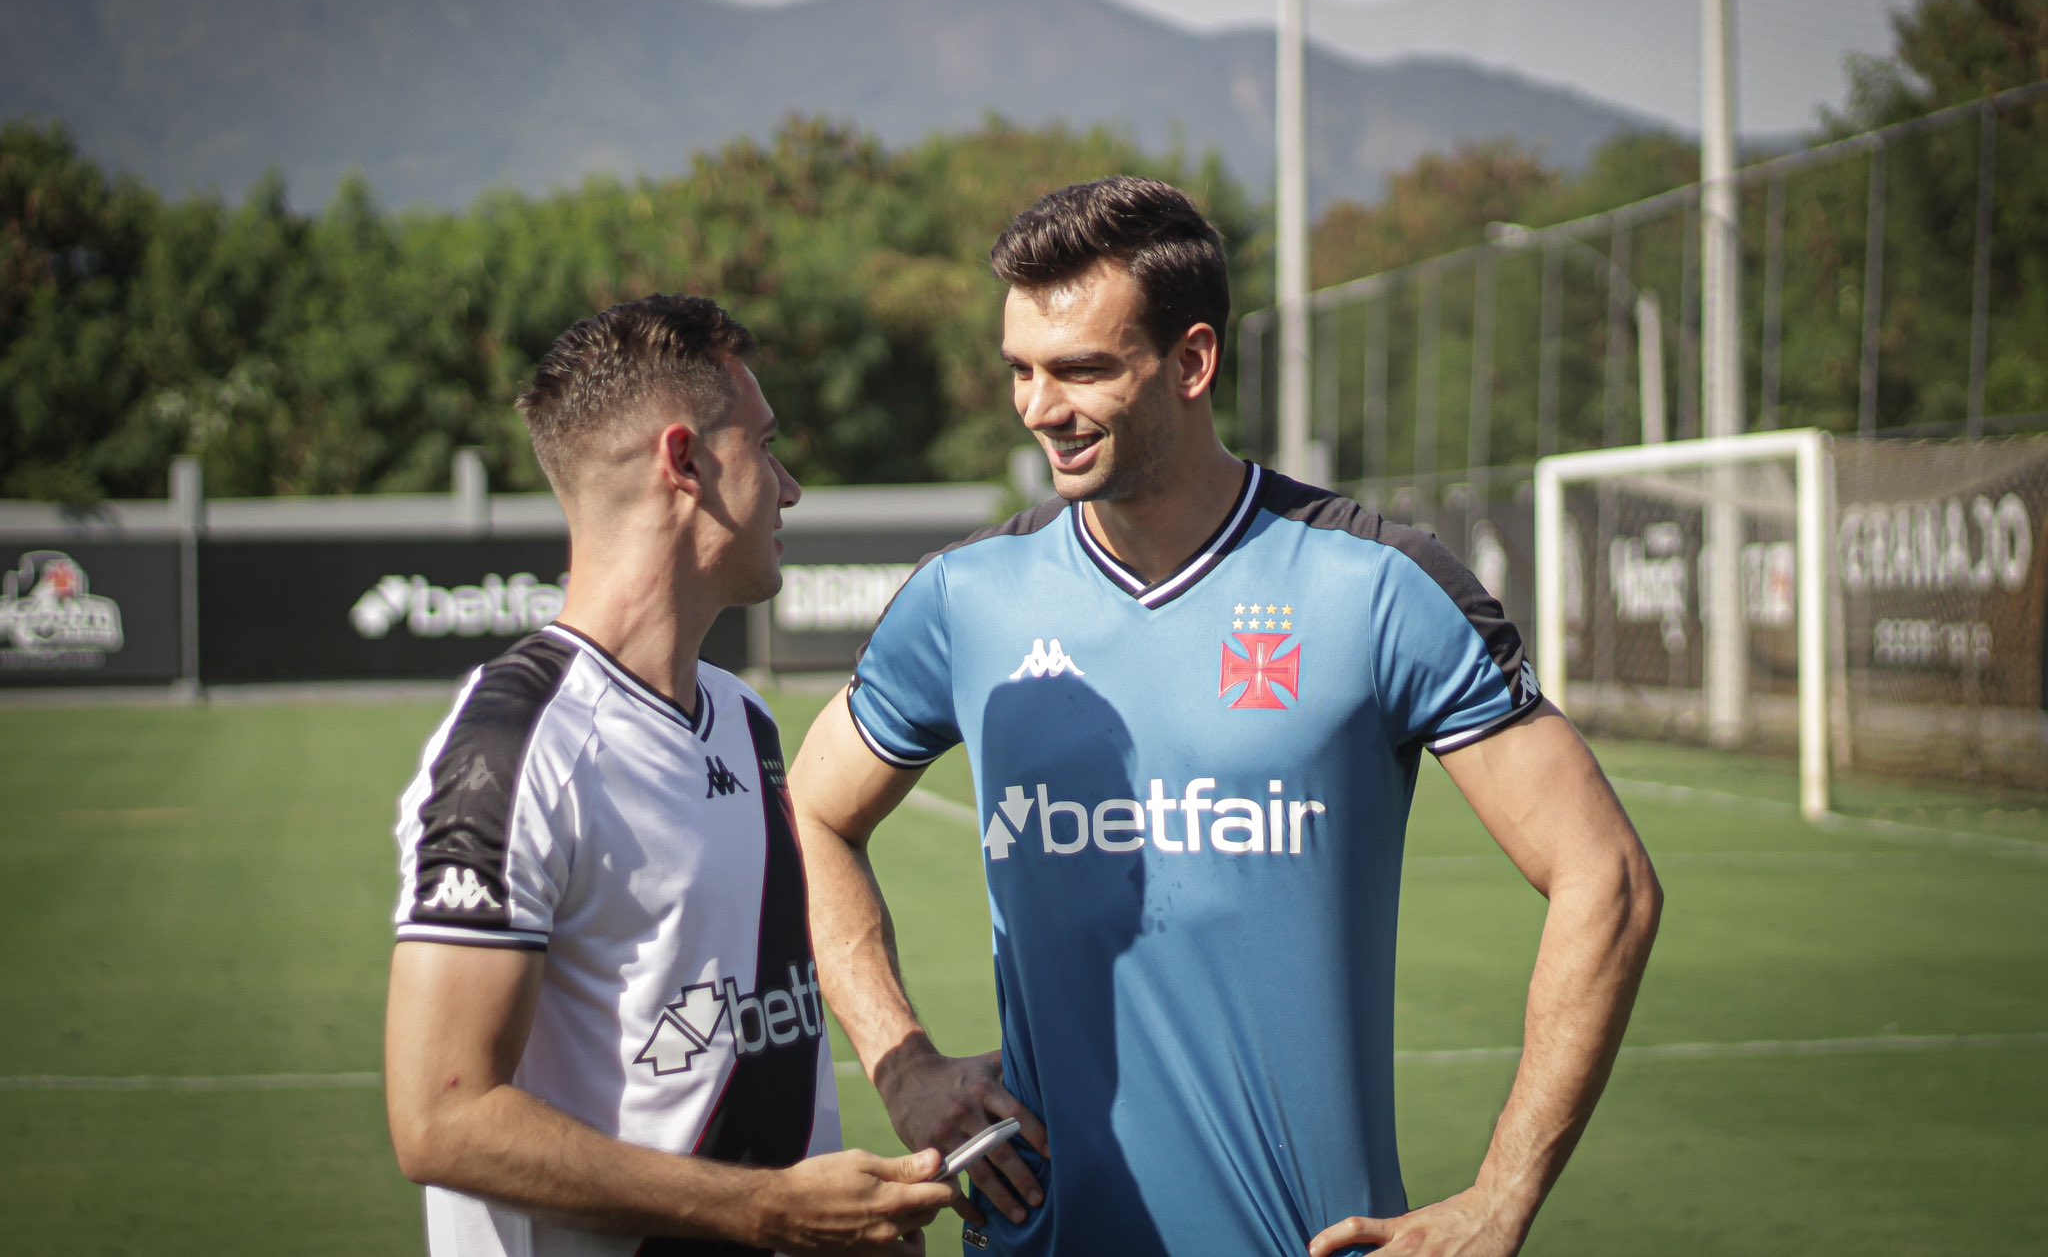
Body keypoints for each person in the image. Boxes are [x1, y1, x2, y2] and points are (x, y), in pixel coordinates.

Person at [788, 179, 1662, 1256]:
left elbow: (1607, 878)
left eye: (1082, 370)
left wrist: (1501, 1196)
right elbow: (810, 816)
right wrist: (902, 1063)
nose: (1039, 407)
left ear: (1192, 361)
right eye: (1021, 369)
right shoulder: (966, 600)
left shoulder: (1377, 586)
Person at [384, 294, 955, 1257]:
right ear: (685, 462)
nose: (791, 487)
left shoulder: (741, 715)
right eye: (765, 446)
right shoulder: (515, 747)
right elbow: (441, 1119)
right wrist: (768, 1211)